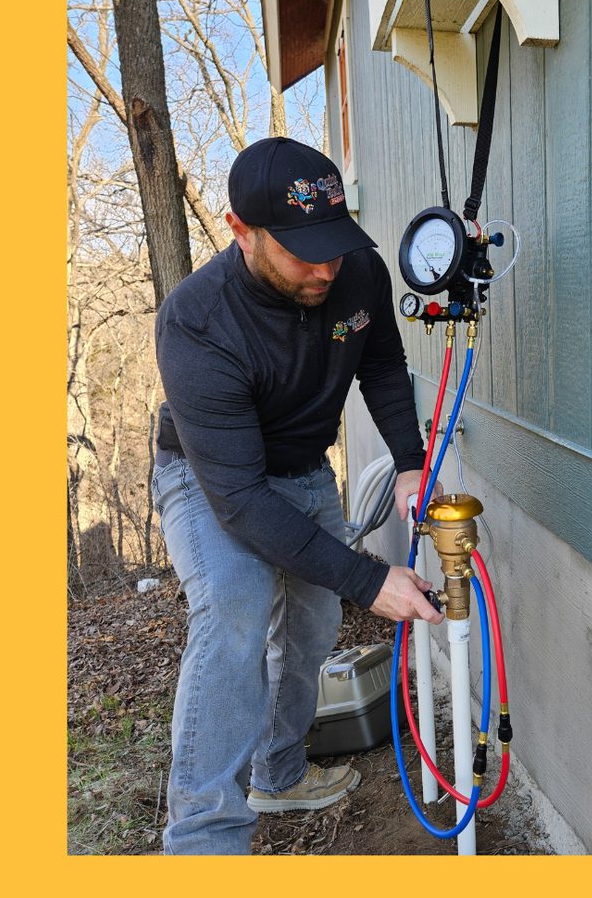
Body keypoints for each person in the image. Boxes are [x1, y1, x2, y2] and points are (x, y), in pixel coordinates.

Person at [151, 136, 444, 855]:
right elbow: (244, 502)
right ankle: (202, 842)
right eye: (300, 251)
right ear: (240, 231)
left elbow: (380, 362)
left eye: (333, 244)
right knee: (236, 608)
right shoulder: (196, 320)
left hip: (303, 468)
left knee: (313, 628)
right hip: (212, 477)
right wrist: (369, 578)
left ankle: (277, 775)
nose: (325, 267)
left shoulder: (356, 273)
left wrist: (410, 463)